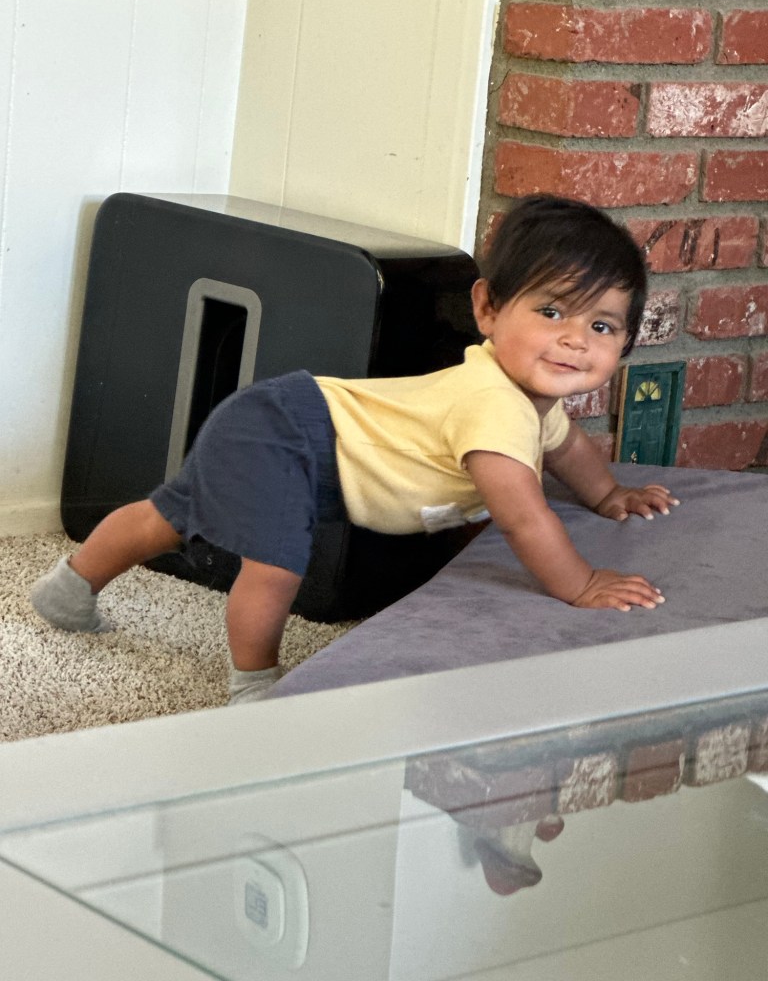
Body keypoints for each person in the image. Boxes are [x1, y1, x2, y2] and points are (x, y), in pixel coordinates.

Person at [31, 194, 678, 703]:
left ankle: (69, 587)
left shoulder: (531, 403)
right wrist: (581, 582)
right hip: (289, 435)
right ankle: (253, 686)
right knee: (276, 565)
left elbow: (567, 449)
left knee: (170, 517)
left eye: (601, 325)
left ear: (624, 343)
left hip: (289, 422)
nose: (575, 340)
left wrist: (608, 494)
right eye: (551, 313)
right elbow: (523, 517)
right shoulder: (493, 406)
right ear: (487, 309)